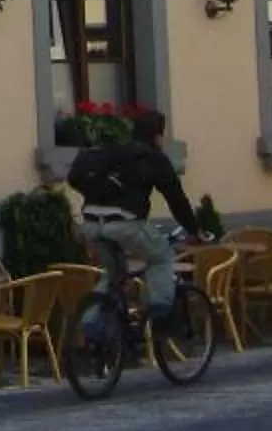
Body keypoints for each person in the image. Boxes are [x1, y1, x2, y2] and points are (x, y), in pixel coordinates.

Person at [68, 108, 198, 315]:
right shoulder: (152, 158)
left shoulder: (111, 153)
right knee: (161, 257)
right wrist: (193, 230)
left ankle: (91, 324)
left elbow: (75, 178)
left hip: (91, 224)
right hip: (126, 224)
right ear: (157, 136)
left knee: (113, 275)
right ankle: (162, 317)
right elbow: (176, 199)